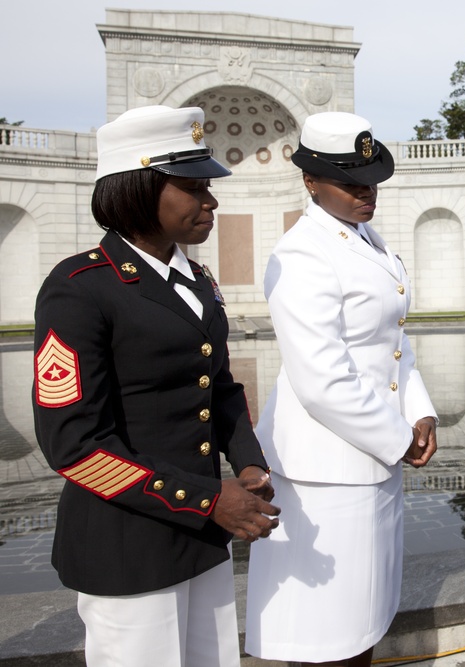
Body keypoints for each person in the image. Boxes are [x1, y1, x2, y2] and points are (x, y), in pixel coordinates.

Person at [32, 105, 280, 667]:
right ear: (139, 189)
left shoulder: (197, 280)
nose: (211, 201)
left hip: (200, 536)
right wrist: (208, 498)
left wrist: (248, 463)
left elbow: (218, 388)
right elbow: (73, 446)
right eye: (194, 188)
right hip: (127, 542)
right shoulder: (79, 287)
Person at [244, 111, 438, 667]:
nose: (366, 193)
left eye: (371, 180)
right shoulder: (302, 252)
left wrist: (420, 413)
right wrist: (397, 436)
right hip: (325, 468)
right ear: (310, 180)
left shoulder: (364, 236)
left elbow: (392, 344)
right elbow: (322, 378)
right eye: (350, 183)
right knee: (327, 634)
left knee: (362, 620)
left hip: (371, 456)